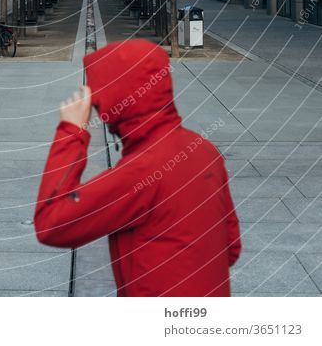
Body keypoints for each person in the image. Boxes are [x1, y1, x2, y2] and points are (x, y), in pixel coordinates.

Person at [34, 39, 241, 297]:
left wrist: (71, 131)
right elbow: (231, 246)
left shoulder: (142, 171)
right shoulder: (204, 150)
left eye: (99, 103)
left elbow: (52, 223)